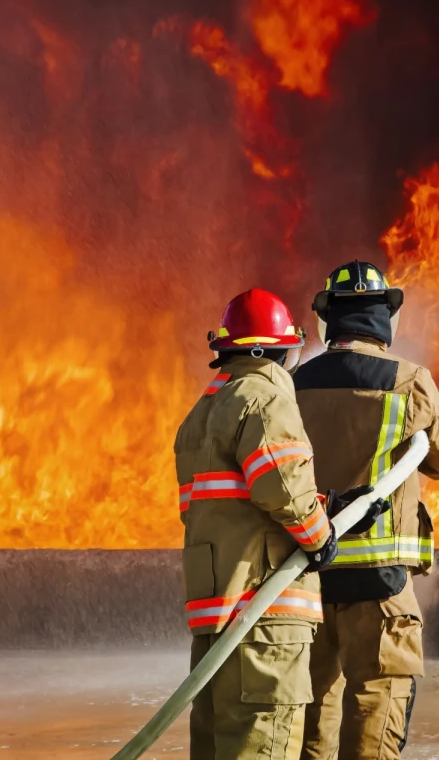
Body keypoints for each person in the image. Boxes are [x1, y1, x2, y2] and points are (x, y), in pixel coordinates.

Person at [176, 289, 386, 760]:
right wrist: (321, 535)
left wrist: (330, 506)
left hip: (217, 622)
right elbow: (282, 487)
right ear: (274, 351)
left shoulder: (202, 413)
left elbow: (234, 505)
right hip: (264, 621)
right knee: (265, 745)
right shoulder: (264, 398)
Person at [294, 262, 439, 760]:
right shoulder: (408, 380)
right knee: (376, 711)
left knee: (309, 720)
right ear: (384, 318)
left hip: (306, 580)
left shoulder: (293, 384)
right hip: (379, 586)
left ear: (330, 319)